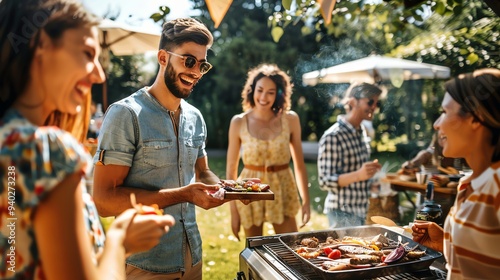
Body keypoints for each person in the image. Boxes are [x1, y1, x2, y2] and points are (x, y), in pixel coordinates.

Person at [0, 0, 175, 279]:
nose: (99, 74)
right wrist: (119, 241)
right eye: (87, 53)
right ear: (43, 43)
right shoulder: (46, 151)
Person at [92, 18, 227, 280]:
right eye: (188, 61)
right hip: (145, 265)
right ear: (163, 57)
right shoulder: (125, 114)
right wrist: (184, 194)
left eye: (202, 65)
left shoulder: (196, 117)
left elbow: (204, 172)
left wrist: (225, 188)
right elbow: (104, 201)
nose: (196, 72)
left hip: (193, 259)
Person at [412, 68, 500, 279]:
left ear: (475, 117)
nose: (436, 124)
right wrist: (446, 242)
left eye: (444, 112)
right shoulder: (469, 183)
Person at [225, 64, 311, 240]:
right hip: (249, 191)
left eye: (271, 92)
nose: (264, 97)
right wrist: (234, 212)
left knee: (291, 248)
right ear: (252, 90)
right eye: (260, 90)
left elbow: (300, 166)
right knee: (256, 251)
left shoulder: (291, 119)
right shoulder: (238, 122)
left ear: (279, 94)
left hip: (283, 187)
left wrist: (306, 201)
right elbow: (231, 172)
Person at [318, 82, 383, 228]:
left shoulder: (362, 132)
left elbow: (356, 174)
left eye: (377, 103)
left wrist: (370, 182)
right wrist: (359, 175)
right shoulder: (333, 136)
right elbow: (325, 181)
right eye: (370, 101)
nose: (374, 107)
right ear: (353, 102)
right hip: (341, 212)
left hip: (360, 211)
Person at [401, 131, 467, 173]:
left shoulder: (458, 155)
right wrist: (409, 165)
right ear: (437, 139)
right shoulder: (427, 154)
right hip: (429, 192)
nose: (448, 140)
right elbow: (413, 163)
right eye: (444, 137)